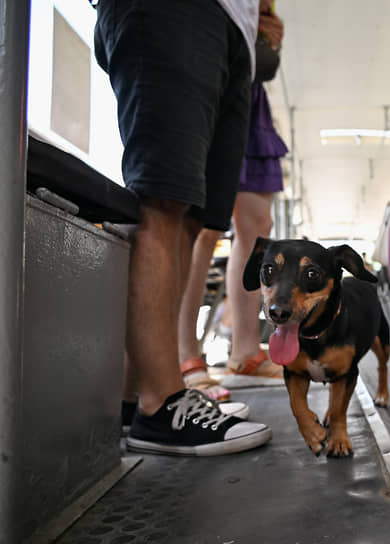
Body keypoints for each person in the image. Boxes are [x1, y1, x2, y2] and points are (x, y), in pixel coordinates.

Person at [95, 0, 276, 455]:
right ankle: (160, 407)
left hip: (235, 26)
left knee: (194, 220)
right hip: (176, 11)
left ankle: (135, 400)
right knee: (163, 199)